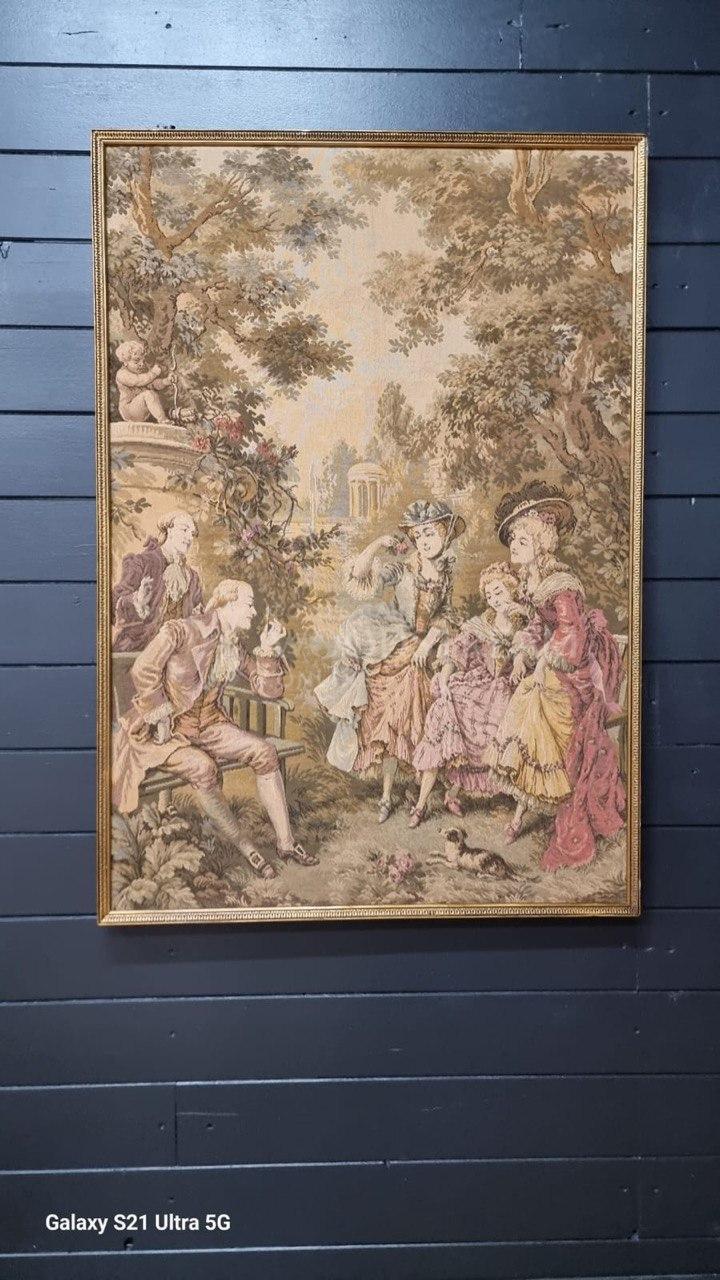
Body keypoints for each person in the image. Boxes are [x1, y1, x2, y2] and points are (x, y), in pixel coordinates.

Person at [113, 579, 318, 879]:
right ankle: (247, 847)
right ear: (227, 604)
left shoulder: (233, 644)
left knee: (265, 752)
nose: (253, 611)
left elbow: (268, 691)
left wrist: (267, 650)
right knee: (204, 768)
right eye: (248, 604)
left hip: (210, 725)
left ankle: (286, 843)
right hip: (166, 733)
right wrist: (160, 712)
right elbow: (143, 668)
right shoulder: (181, 631)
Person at [484, 483, 625, 867]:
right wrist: (522, 655)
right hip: (553, 669)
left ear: (541, 543)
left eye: (522, 540)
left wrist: (544, 661)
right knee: (526, 694)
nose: (514, 547)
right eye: (513, 541)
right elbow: (536, 627)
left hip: (576, 675)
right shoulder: (533, 582)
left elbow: (572, 637)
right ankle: (523, 808)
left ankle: (526, 812)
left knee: (534, 700)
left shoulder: (561, 584)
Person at [315, 499, 465, 824]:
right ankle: (385, 795)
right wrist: (376, 545)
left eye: (431, 534)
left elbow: (447, 614)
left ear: (445, 535)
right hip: (393, 647)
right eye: (419, 535)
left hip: (423, 654)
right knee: (389, 725)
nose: (424, 541)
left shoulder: (445, 575)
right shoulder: (403, 569)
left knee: (417, 723)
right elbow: (360, 580)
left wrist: (430, 641)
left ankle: (416, 791)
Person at [411, 562, 537, 826]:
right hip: (477, 682)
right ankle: (421, 805)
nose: (495, 599)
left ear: (512, 591)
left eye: (499, 592)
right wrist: (445, 678)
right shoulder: (480, 625)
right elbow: (456, 652)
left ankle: (452, 793)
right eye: (490, 595)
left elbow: (528, 653)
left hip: (505, 687)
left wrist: (518, 663)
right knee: (448, 708)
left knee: (496, 719)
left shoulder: (524, 624)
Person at [112, 510, 204, 651]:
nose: (189, 537)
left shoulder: (192, 577)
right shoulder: (142, 562)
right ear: (169, 530)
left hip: (176, 651)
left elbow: (197, 616)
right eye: (184, 530)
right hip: (138, 647)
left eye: (192, 533)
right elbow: (114, 601)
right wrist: (137, 601)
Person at [115, 340, 172, 424]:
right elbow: (139, 381)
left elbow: (152, 384)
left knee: (151, 393)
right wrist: (153, 373)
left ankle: (163, 419)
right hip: (128, 410)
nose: (141, 364)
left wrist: (166, 381)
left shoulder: (141, 373)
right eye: (136, 361)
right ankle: (163, 420)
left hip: (141, 408)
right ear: (125, 362)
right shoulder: (122, 374)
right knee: (149, 394)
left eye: (143, 361)